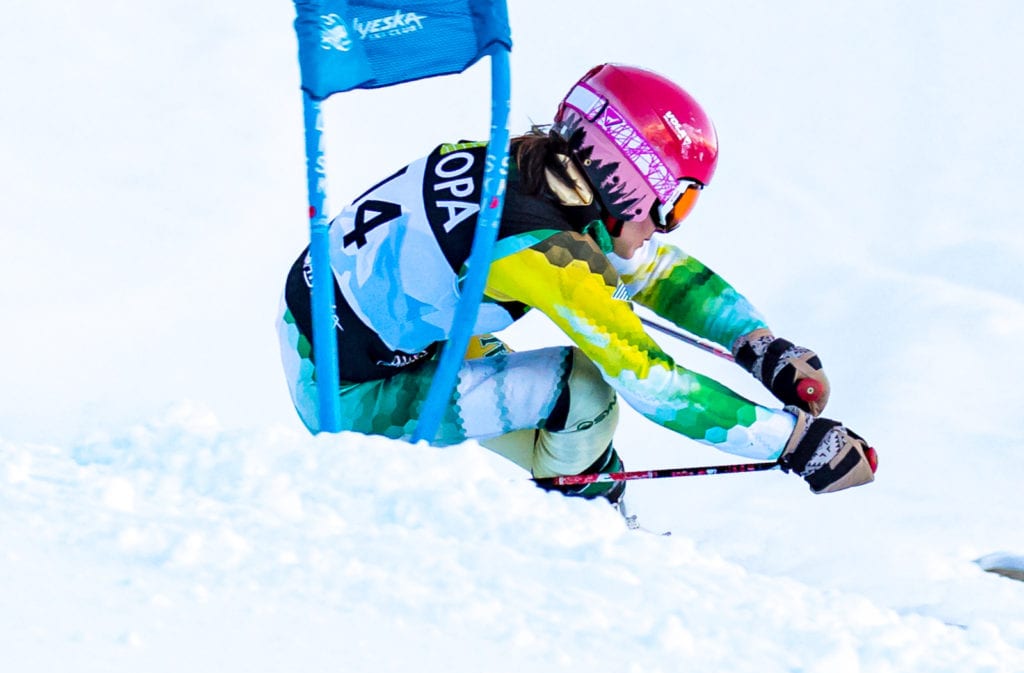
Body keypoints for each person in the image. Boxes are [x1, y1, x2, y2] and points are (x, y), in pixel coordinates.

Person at [277, 63, 877, 506]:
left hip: (332, 336)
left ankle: (585, 490)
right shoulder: (541, 249)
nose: (665, 226)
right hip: (347, 396)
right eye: (677, 202)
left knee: (570, 418)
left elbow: (653, 273)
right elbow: (653, 383)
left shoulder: (524, 167)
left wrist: (759, 346)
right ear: (631, 182)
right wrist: (796, 443)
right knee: (584, 390)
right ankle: (578, 522)